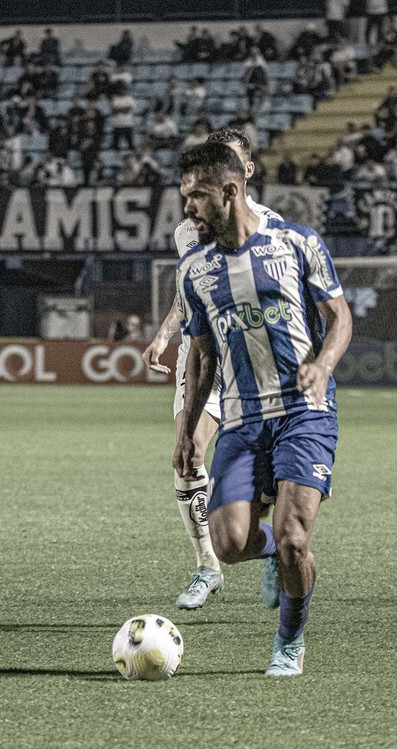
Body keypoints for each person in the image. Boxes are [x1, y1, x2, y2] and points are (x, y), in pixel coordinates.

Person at [173, 141, 353, 676]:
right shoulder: (194, 271)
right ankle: (276, 549)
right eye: (185, 197)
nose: (188, 209)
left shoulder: (297, 243)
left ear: (231, 191)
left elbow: (340, 318)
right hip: (242, 419)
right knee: (228, 545)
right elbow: (202, 358)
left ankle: (289, 643)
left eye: (198, 197)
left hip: (304, 411)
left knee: (298, 537)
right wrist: (187, 431)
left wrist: (322, 364)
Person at [140, 128, 281, 612]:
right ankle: (207, 566)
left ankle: (271, 548)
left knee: (266, 479)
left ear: (246, 172)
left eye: (235, 161)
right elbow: (191, 291)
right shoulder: (189, 229)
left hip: (253, 357)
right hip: (203, 354)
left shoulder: (273, 227)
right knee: (187, 454)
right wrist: (165, 332)